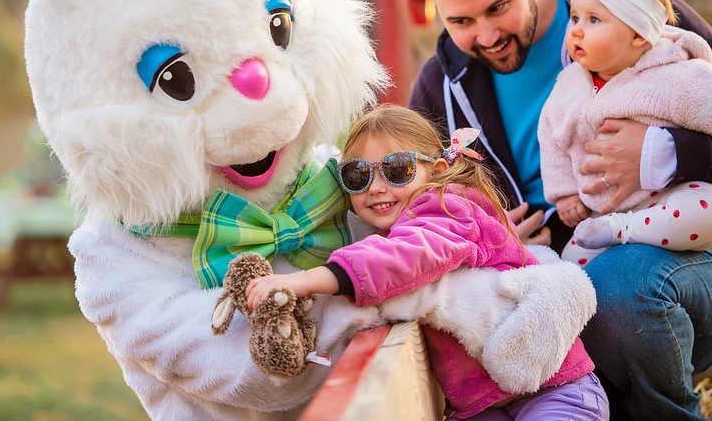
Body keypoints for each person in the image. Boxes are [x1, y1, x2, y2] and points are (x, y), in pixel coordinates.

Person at [408, 0, 712, 420]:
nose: (486, 35)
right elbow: (418, 202)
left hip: (680, 253)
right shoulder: (439, 87)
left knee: (614, 288)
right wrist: (490, 234)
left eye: (498, 7)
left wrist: (668, 151)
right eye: (460, 21)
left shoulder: (621, 0)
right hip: (556, 276)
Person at [246, 104, 608, 420]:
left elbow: (411, 254)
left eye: (397, 169)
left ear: (435, 170)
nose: (375, 187)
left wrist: (308, 280)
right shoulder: (400, 227)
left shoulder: (447, 208)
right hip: (483, 405)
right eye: (357, 175)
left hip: (555, 390)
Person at [538, 0, 712, 267]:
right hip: (603, 213)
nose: (576, 30)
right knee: (570, 259)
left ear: (638, 35)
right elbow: (551, 137)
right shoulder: (568, 84)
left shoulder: (677, 77)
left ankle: (628, 232)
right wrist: (564, 194)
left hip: (667, 197)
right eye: (575, 17)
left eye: (593, 20)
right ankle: (614, 235)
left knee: (703, 208)